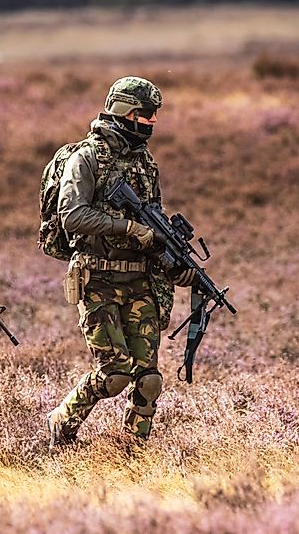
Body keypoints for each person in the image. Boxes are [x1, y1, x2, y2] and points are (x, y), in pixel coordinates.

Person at [47, 76, 195, 448]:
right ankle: (61, 422)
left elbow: (154, 223)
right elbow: (73, 216)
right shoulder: (86, 158)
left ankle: (131, 453)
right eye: (146, 116)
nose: (153, 123)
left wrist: (176, 262)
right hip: (97, 279)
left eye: (155, 116)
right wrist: (128, 228)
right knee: (114, 374)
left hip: (140, 282)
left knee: (148, 379)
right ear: (125, 113)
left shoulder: (145, 163)